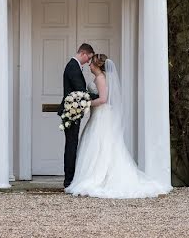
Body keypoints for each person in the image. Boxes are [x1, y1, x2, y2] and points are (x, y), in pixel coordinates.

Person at [65, 53, 171, 198]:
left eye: (91, 63)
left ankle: (100, 177)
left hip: (102, 116)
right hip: (97, 115)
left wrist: (86, 104)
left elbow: (103, 100)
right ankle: (91, 175)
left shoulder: (101, 79)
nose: (89, 65)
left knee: (101, 145)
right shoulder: (98, 78)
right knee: (96, 145)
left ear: (97, 65)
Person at [60, 43, 94, 188]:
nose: (88, 62)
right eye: (89, 58)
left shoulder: (74, 66)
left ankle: (70, 178)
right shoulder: (73, 67)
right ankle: (69, 180)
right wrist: (100, 96)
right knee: (71, 146)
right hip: (71, 113)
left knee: (72, 145)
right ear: (84, 54)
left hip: (73, 112)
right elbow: (81, 91)